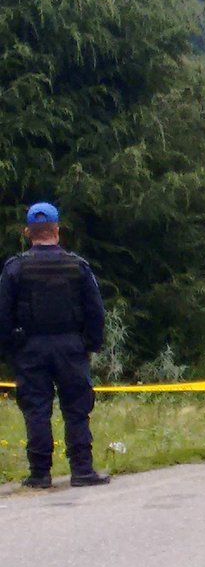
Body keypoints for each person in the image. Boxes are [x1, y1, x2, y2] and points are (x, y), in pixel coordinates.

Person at [0, 202, 108, 489]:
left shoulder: (15, 268)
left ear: (27, 232)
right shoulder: (77, 266)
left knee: (36, 409)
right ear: (57, 230)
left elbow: (3, 314)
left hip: (30, 348)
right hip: (71, 347)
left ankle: (39, 474)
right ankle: (82, 471)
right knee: (76, 408)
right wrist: (90, 345)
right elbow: (96, 311)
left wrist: (13, 350)